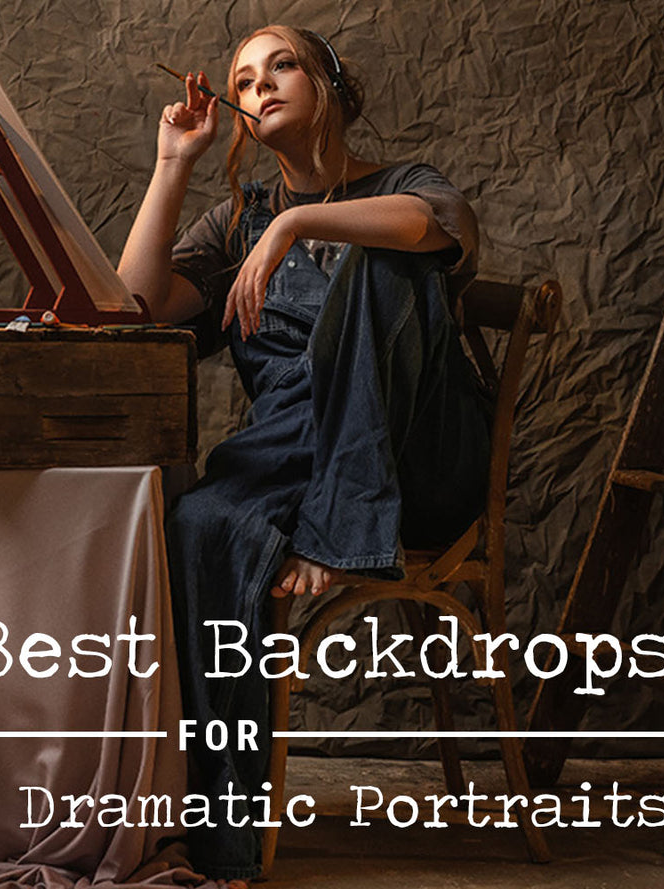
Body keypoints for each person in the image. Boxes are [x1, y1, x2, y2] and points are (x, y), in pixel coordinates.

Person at [117, 24, 494, 882]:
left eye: (280, 64)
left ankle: (338, 520)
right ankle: (225, 841)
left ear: (326, 83)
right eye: (244, 81)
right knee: (198, 522)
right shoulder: (231, 223)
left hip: (415, 461)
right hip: (288, 452)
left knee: (382, 259)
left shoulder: (403, 184)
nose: (259, 86)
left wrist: (296, 224)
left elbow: (428, 228)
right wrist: (175, 161)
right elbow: (137, 304)